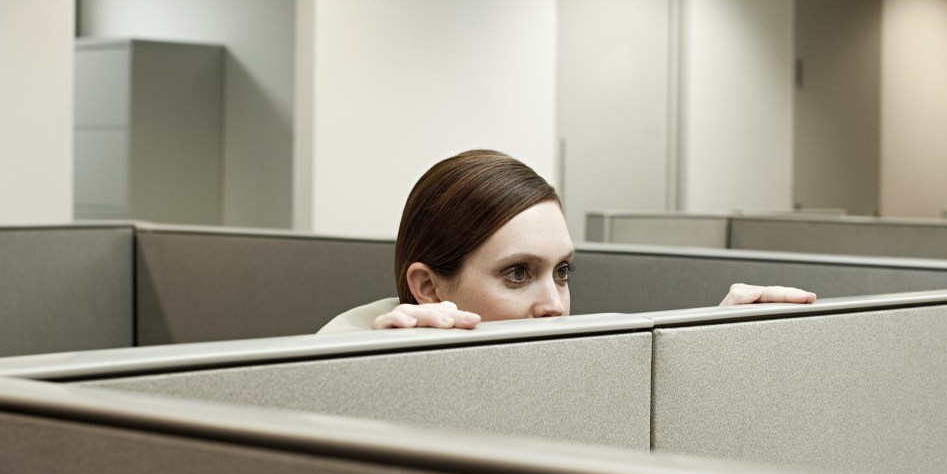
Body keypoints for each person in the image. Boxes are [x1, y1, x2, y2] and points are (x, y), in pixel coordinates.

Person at [319, 149, 815, 333]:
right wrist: (374, 379)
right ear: (428, 289)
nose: (555, 305)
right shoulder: (338, 371)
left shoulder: (569, 374)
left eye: (562, 272)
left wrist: (712, 342)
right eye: (518, 273)